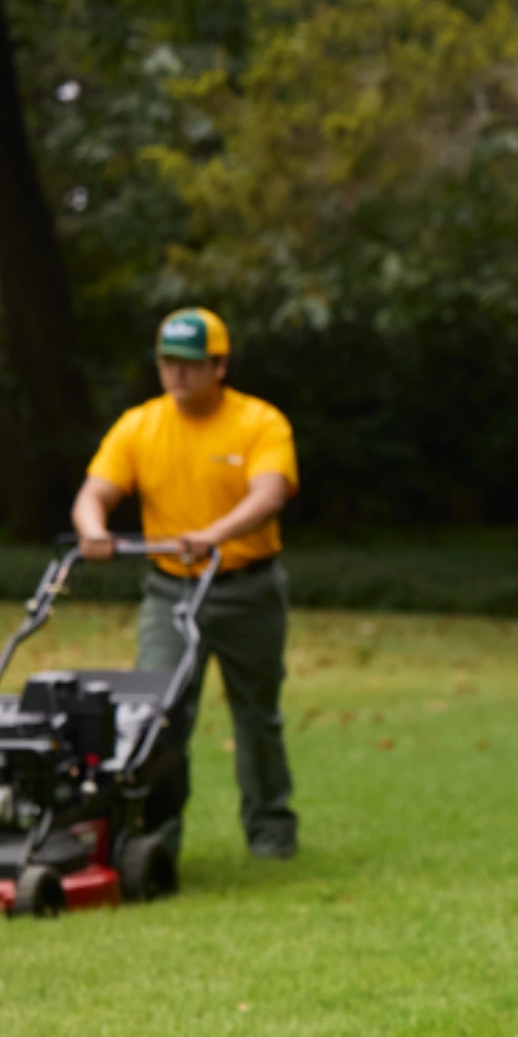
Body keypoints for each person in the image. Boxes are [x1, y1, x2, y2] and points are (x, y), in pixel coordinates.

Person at [70, 307, 303, 860]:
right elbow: (94, 492)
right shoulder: (139, 426)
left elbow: (270, 493)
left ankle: (271, 832)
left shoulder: (260, 423)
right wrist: (92, 530)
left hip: (249, 590)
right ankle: (154, 839)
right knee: (157, 716)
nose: (177, 375)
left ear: (220, 365)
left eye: (191, 365)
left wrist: (212, 536)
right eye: (168, 363)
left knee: (258, 717)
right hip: (171, 592)